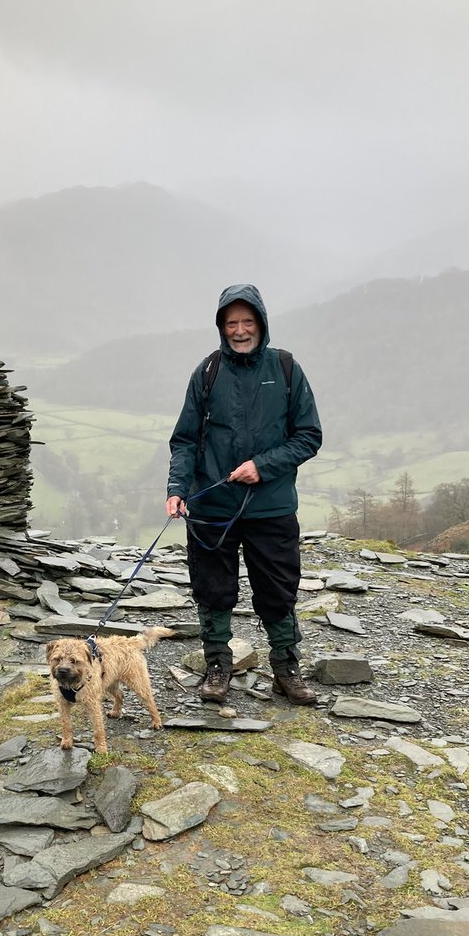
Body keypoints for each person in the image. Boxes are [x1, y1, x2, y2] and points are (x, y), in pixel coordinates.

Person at [165, 284, 322, 705]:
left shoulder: (287, 369)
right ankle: (218, 667)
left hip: (271, 508)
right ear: (221, 327)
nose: (239, 330)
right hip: (211, 506)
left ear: (261, 323)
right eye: (231, 322)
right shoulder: (208, 372)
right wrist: (177, 489)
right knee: (212, 589)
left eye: (247, 321)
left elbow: (309, 437)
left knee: (278, 590)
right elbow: (184, 440)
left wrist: (262, 466)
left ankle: (286, 669)